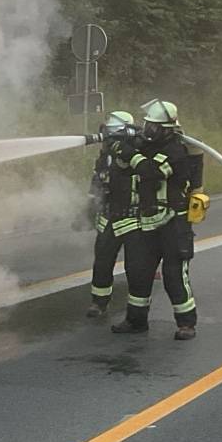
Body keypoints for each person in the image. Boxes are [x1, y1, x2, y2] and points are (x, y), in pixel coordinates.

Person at [110, 99, 201, 340]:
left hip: (173, 221)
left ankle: (186, 323)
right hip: (147, 220)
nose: (147, 130)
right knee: (138, 271)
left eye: (153, 126)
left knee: (173, 274)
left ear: (166, 129)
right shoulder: (144, 145)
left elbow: (151, 171)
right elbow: (126, 167)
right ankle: (136, 320)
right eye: (146, 125)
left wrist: (131, 154)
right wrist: (120, 148)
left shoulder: (176, 150)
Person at [85, 110, 137, 317]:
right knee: (102, 261)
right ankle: (99, 302)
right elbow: (97, 181)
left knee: (136, 266)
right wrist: (90, 206)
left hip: (133, 218)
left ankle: (137, 310)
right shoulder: (104, 157)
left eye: (112, 134)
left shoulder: (136, 152)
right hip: (108, 216)